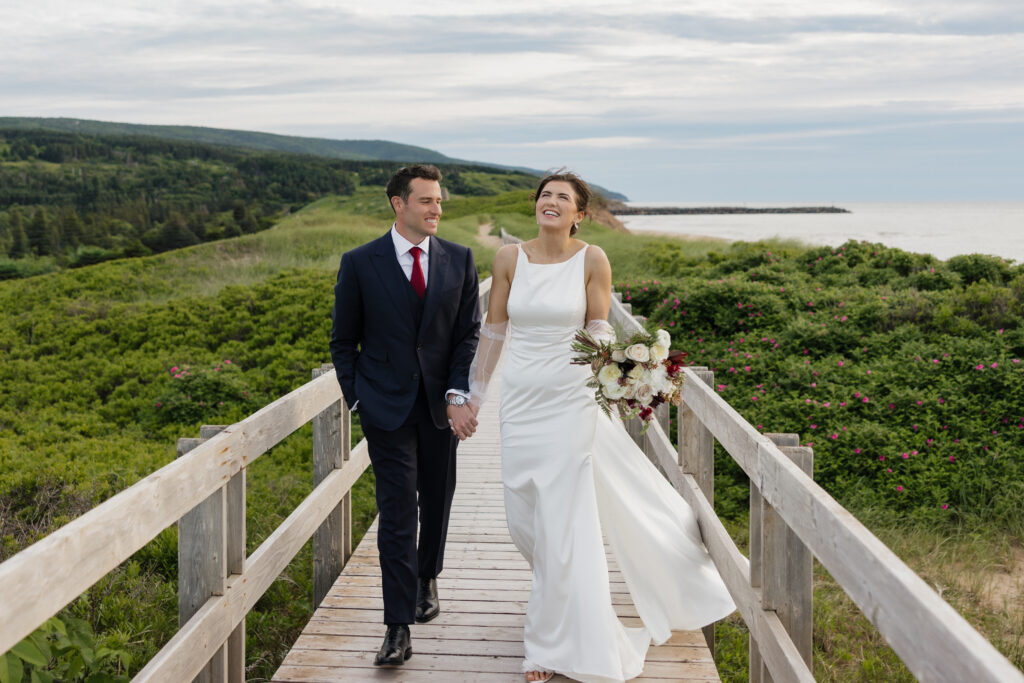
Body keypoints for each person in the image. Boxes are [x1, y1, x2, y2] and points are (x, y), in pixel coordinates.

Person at [470, 171, 735, 682]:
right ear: (536, 205)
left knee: (563, 523)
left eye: (562, 198)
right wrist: (473, 396)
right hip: (521, 401)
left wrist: (625, 366)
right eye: (545, 195)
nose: (551, 202)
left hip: (571, 402)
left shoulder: (593, 258)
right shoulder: (508, 258)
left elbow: (597, 326)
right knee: (523, 519)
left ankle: (548, 647)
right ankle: (562, 607)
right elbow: (494, 331)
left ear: (579, 214)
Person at [329, 164, 481, 666]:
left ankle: (426, 576)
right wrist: (356, 398)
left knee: (436, 498)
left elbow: (467, 336)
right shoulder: (360, 262)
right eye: (426, 201)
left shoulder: (460, 260)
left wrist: (457, 393)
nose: (437, 209)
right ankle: (397, 627)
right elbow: (342, 341)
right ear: (398, 203)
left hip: (441, 409)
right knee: (397, 515)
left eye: (440, 201)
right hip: (385, 409)